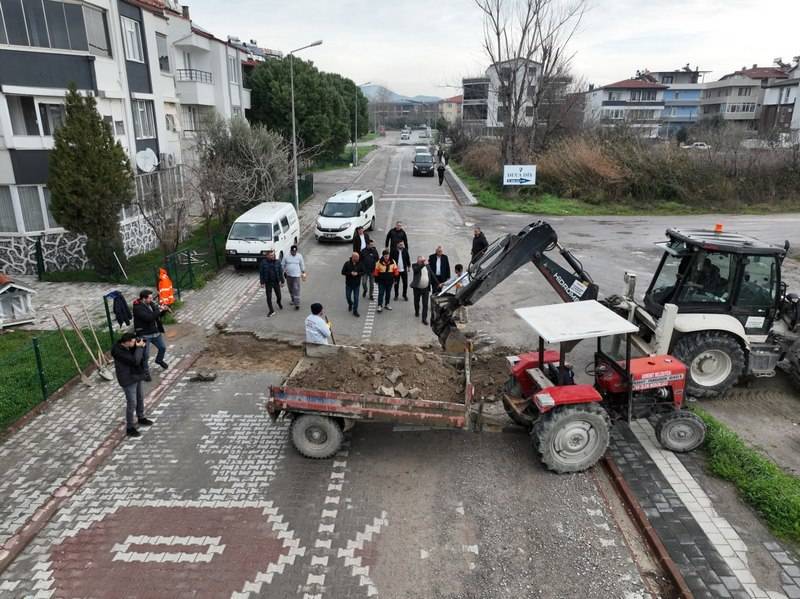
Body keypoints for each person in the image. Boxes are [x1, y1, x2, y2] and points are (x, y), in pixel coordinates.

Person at [111, 332, 153, 438]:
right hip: (128, 379)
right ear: (127, 342)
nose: (135, 343)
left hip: (136, 375)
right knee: (132, 403)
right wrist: (139, 348)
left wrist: (139, 346)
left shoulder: (128, 346)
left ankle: (141, 417)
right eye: (133, 341)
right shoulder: (118, 351)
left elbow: (140, 358)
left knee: (140, 397)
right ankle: (130, 428)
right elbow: (135, 361)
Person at [132, 289, 170, 382]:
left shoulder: (151, 304)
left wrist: (163, 310)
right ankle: (145, 372)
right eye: (150, 298)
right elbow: (149, 318)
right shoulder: (137, 308)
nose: (152, 299)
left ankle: (159, 360)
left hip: (155, 332)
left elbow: (157, 316)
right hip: (144, 334)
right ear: (144, 299)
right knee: (145, 355)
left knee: (162, 348)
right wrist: (159, 310)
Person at [410, 256, 435, 325]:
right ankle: (417, 311)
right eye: (421, 261)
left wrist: (438, 283)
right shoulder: (414, 265)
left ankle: (424, 319)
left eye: (423, 261)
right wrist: (423, 264)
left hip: (426, 289)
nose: (422, 262)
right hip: (417, 288)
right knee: (416, 302)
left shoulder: (427, 266)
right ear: (418, 261)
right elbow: (416, 270)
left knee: (425, 304)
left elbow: (432, 274)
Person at [259, 250, 284, 317]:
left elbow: (280, 272)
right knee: (269, 297)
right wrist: (262, 283)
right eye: (270, 255)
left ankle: (278, 302)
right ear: (267, 256)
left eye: (273, 255)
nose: (272, 256)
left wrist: (282, 281)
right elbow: (261, 273)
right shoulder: (263, 263)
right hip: (268, 282)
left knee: (279, 295)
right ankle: (271, 310)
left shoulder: (277, 262)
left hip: (276, 282)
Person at [281, 245, 306, 310]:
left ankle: (297, 304)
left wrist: (303, 271)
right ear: (290, 251)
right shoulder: (286, 256)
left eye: (295, 252)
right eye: (293, 252)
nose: (294, 253)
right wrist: (281, 273)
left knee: (296, 289)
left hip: (296, 276)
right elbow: (283, 265)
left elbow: (302, 264)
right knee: (290, 289)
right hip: (288, 275)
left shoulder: (299, 256)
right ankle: (293, 299)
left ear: (296, 251)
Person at [341, 252, 365, 317]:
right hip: (348, 284)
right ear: (353, 257)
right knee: (348, 296)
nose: (358, 259)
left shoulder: (360, 264)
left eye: (358, 257)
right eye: (357, 258)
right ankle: (350, 304)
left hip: (356, 284)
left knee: (356, 298)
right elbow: (342, 272)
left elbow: (363, 272)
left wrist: (357, 274)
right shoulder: (347, 263)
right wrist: (350, 273)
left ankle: (355, 311)